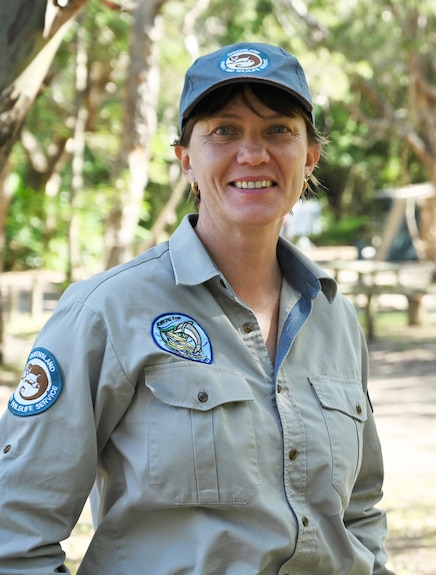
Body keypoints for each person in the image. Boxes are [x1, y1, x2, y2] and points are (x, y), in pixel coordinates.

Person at [0, 42, 394, 574]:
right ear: (186, 159)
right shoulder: (108, 312)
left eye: (278, 130)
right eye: (224, 131)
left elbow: (359, 511)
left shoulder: (334, 316)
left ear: (310, 158)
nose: (252, 154)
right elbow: (15, 533)